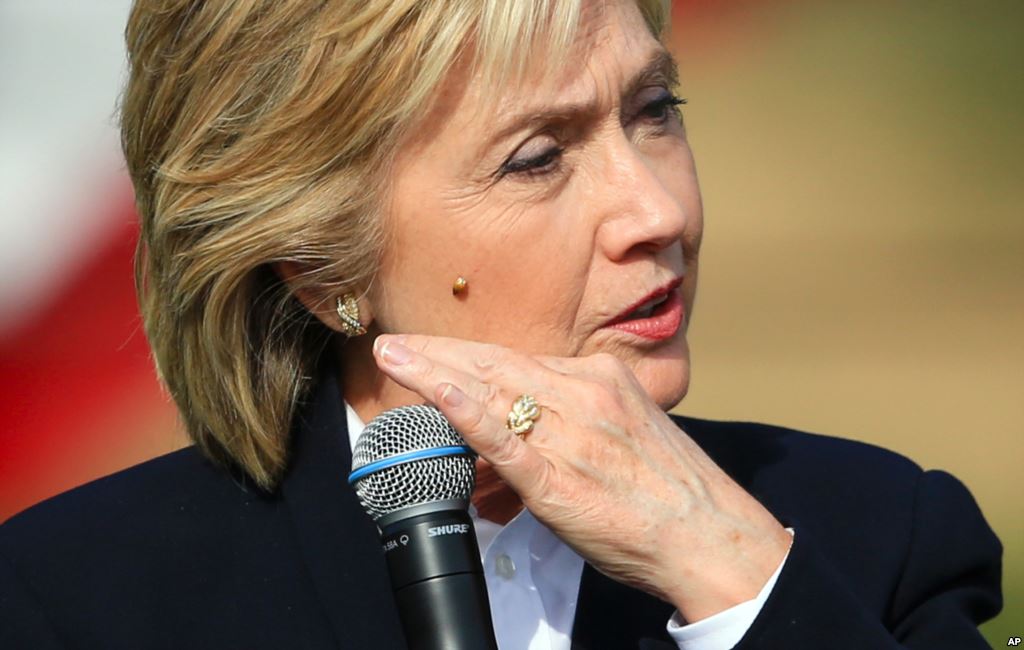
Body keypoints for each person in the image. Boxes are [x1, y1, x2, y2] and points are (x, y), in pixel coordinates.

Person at [0, 0, 1001, 648]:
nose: (658, 210)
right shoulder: (74, 599)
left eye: (655, 109)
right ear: (318, 262)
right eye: (536, 158)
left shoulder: (871, 536)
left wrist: (732, 580)